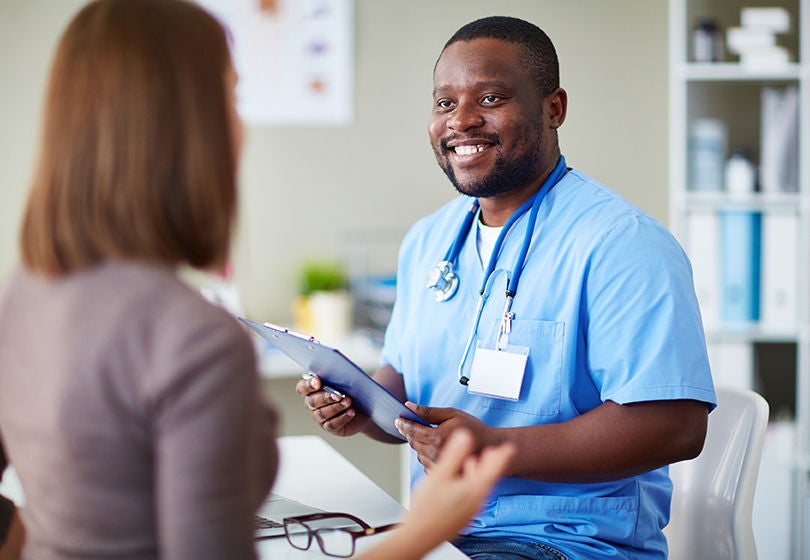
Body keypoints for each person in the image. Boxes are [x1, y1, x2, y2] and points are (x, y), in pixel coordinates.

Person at [0, 1, 514, 559]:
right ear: (192, 129)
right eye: (232, 94)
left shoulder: (27, 290)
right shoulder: (192, 340)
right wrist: (425, 530)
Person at [297, 15, 717, 560]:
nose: (462, 121)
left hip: (566, 543)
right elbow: (401, 388)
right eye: (445, 103)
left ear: (554, 108)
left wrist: (495, 447)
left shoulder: (623, 245)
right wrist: (358, 406)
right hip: (439, 530)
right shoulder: (427, 241)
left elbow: (675, 427)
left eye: (490, 98)